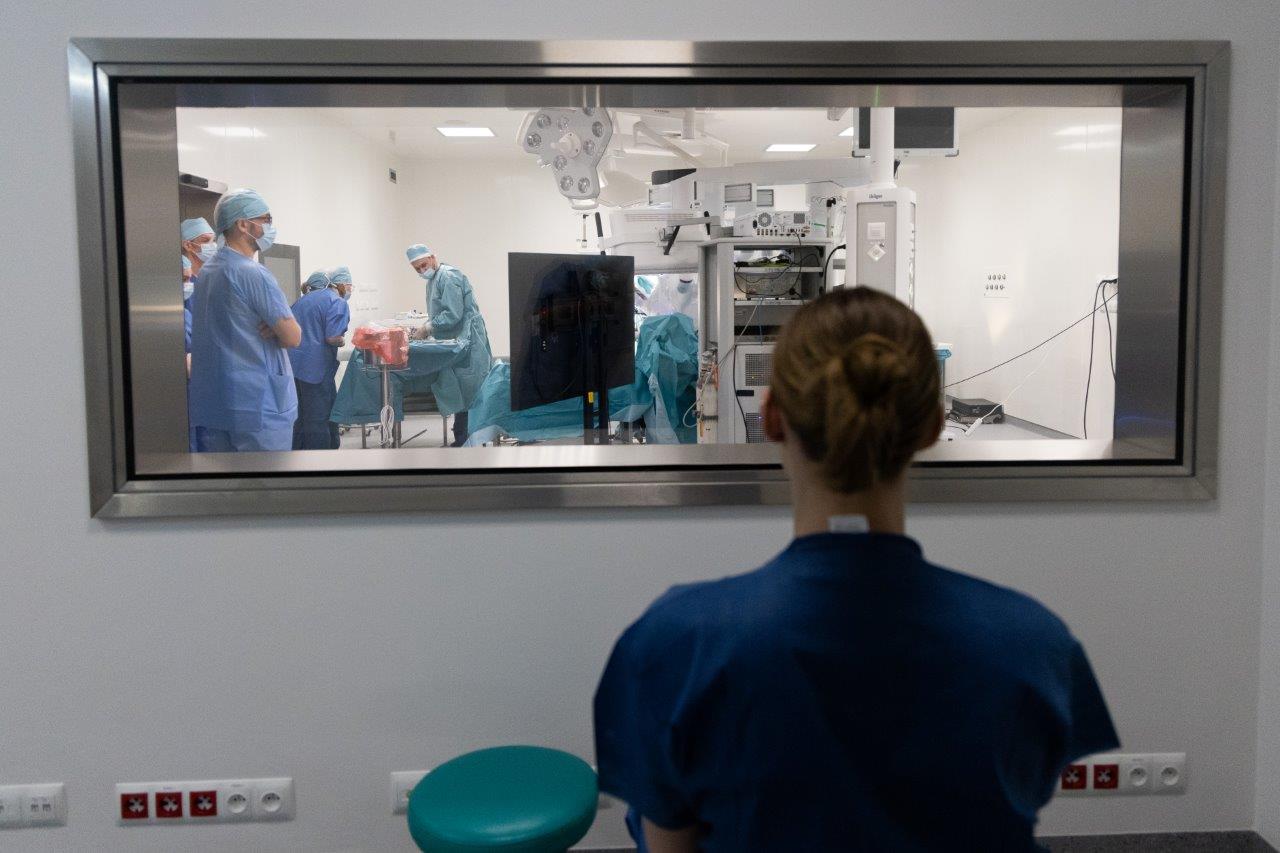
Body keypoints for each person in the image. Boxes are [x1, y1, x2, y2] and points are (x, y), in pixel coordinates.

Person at [593, 287, 1119, 853]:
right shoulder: (1031, 645)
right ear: (932, 425)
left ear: (772, 418)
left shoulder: (677, 645)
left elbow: (670, 843)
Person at [188, 188, 302, 452]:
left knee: (226, 478)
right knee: (265, 478)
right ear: (243, 224)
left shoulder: (208, 272)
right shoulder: (253, 273)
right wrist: (277, 330)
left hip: (218, 405)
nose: (269, 227)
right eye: (265, 220)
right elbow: (293, 336)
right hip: (258, 405)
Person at [405, 243, 493, 446]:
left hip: (467, 341)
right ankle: (462, 436)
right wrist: (427, 326)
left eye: (424, 265)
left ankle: (467, 439)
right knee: (461, 389)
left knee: (469, 389)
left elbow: (453, 314)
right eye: (417, 269)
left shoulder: (448, 277)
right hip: (457, 340)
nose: (422, 270)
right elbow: (439, 311)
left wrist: (428, 328)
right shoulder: (434, 280)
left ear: (433, 257)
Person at [288, 266, 352, 449]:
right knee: (319, 417)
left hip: (293, 367)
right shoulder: (336, 302)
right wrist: (342, 341)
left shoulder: (301, 301)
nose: (350, 290)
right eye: (349, 285)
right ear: (339, 285)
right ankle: (321, 460)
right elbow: (333, 337)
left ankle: (298, 457)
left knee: (301, 417)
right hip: (316, 369)